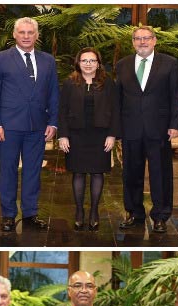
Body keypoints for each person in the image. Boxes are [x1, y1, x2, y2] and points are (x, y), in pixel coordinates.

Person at [0, 17, 59, 232]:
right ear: (14, 35)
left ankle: (30, 214)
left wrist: (53, 122)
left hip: (38, 126)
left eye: (30, 33)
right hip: (8, 127)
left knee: (33, 171)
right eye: (22, 32)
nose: (26, 36)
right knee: (7, 171)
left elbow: (54, 93)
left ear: (36, 36)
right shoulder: (0, 59)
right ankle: (8, 215)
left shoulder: (48, 60)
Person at [115, 26, 178, 233]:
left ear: (154, 41)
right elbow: (118, 99)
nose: (142, 42)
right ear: (133, 42)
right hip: (130, 128)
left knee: (160, 173)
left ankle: (160, 216)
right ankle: (135, 213)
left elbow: (175, 95)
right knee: (131, 173)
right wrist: (117, 128)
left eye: (146, 38)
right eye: (137, 39)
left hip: (159, 128)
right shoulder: (122, 64)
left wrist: (175, 124)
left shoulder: (169, 63)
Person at [58, 47, 121, 231]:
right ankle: (79, 212)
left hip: (100, 135)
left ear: (98, 63)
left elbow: (116, 110)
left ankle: (94, 211)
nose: (88, 64)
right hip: (76, 135)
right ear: (78, 62)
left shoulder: (107, 82)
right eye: (84, 60)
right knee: (78, 173)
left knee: (97, 173)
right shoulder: (70, 83)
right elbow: (61, 111)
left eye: (92, 61)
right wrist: (63, 135)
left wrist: (112, 134)